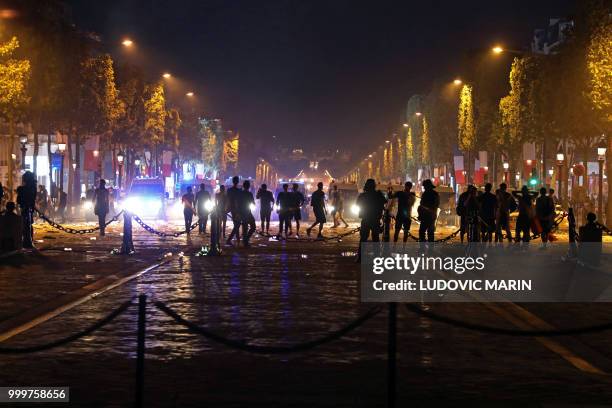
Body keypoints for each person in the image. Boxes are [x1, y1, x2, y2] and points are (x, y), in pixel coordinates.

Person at [356, 179, 387, 260]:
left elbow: (358, 204)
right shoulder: (378, 194)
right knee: (375, 239)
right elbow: (384, 202)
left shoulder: (363, 195)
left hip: (366, 219)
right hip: (375, 219)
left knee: (363, 238)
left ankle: (360, 257)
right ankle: (376, 257)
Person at [226, 176, 243, 245]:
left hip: (232, 209)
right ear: (237, 181)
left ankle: (237, 238)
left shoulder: (229, 190)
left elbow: (228, 200)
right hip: (237, 209)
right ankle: (230, 239)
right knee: (237, 224)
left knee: (236, 224)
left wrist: (227, 208)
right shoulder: (239, 191)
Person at [240, 180, 257, 246]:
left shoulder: (240, 194)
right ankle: (246, 240)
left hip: (242, 212)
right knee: (253, 226)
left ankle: (245, 240)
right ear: (248, 186)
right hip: (247, 212)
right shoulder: (249, 194)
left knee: (245, 227)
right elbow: (253, 203)